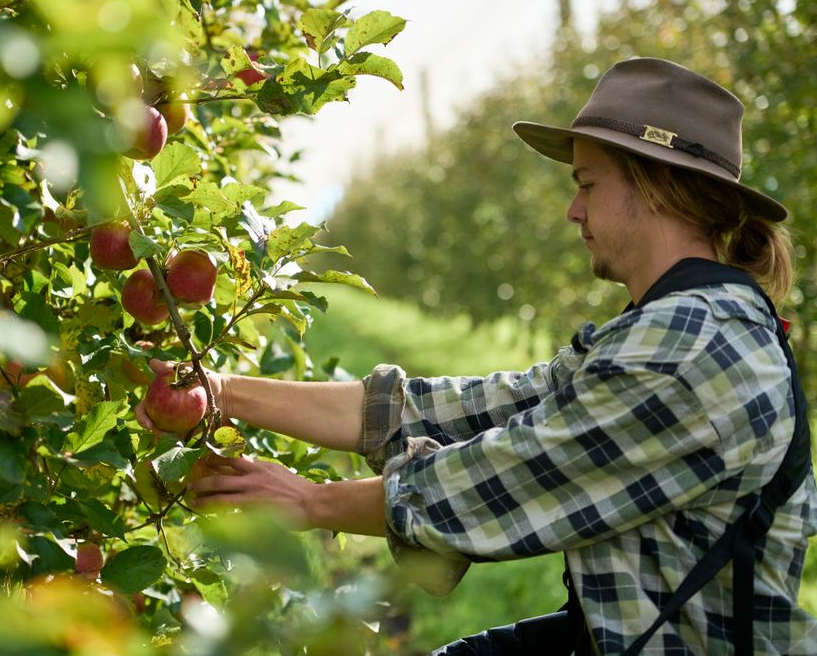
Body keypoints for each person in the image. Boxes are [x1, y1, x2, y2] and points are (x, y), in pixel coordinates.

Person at [136, 58, 817, 655]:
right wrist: (218, 389)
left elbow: (512, 475)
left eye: (587, 184)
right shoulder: (664, 328)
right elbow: (465, 411)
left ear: (657, 185)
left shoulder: (689, 350)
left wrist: (311, 501)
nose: (571, 212)